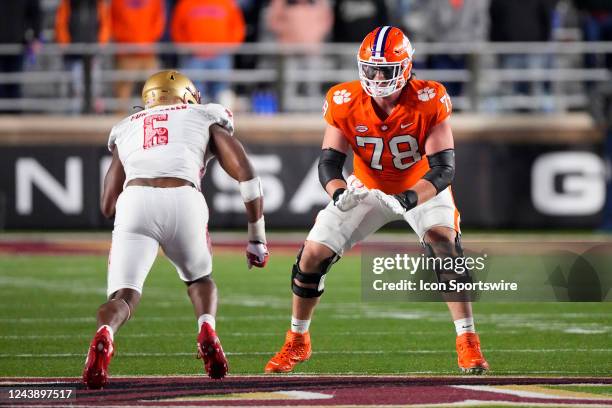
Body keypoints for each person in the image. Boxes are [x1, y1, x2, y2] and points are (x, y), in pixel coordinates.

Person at [264, 26, 489, 375]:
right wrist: (339, 192)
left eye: (386, 69)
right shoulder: (344, 99)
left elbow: (443, 170)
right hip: (366, 187)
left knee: (444, 243)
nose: (377, 76)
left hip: (420, 185)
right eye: (370, 68)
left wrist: (410, 197)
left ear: (407, 68)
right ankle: (297, 339)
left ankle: (468, 340)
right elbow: (328, 162)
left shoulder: (429, 98)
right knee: (311, 256)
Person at [82, 70, 270, 389]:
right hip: (183, 196)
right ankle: (207, 327)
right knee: (199, 279)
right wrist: (256, 237)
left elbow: (107, 204)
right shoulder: (203, 114)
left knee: (124, 296)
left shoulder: (127, 127)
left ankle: (105, 334)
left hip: (135, 201)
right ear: (186, 96)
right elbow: (247, 175)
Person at [170, 0, 246, 104]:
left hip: (221, 55)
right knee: (195, 93)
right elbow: (177, 28)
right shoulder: (186, 3)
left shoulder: (227, 3)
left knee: (222, 93)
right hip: (194, 57)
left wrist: (229, 46)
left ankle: (221, 119)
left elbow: (238, 27)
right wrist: (187, 47)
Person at [55, 0, 111, 113]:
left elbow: (105, 24)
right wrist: (65, 44)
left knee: (95, 90)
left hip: (93, 54)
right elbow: (61, 24)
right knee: (76, 91)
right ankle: (75, 119)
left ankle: (94, 118)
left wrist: (101, 43)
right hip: (74, 55)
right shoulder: (67, 3)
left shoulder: (98, 4)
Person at [111, 0, 166, 113]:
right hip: (127, 52)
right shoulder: (118, 2)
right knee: (123, 91)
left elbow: (159, 20)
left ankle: (151, 122)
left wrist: (147, 41)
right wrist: (127, 41)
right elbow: (112, 21)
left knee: (152, 90)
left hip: (148, 52)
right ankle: (120, 124)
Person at [0, 0, 41, 112]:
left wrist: (36, 37)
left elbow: (35, 12)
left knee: (15, 87)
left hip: (17, 44)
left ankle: (14, 123)